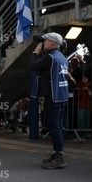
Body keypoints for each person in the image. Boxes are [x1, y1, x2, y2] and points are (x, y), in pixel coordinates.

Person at [29, 33, 69, 169]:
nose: (43, 43)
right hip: (61, 96)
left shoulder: (49, 58)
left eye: (45, 41)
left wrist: (35, 52)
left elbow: (33, 66)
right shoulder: (62, 57)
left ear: (52, 43)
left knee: (54, 126)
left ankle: (59, 156)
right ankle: (56, 153)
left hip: (53, 97)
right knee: (57, 125)